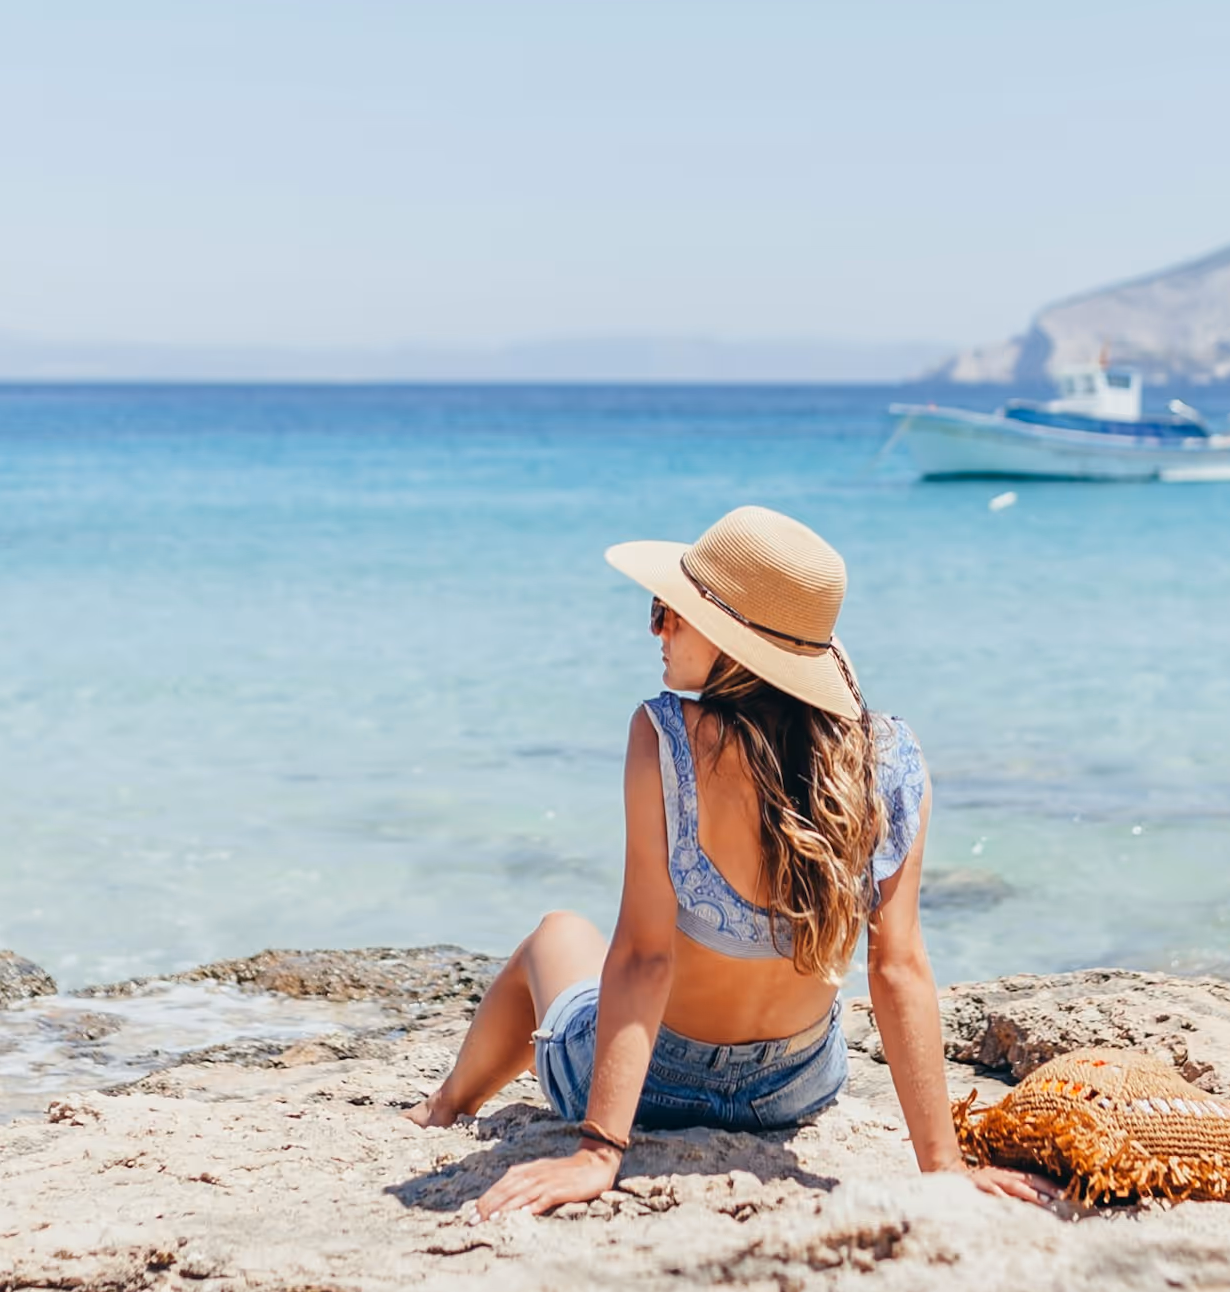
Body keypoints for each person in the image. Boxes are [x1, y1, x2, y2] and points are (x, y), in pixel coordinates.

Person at [405, 503, 1052, 1218]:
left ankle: (444, 1104)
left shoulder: (665, 737)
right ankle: (449, 1100)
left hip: (656, 1083)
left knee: (557, 932)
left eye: (669, 610)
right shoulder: (886, 758)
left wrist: (598, 1149)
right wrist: (944, 1166)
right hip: (796, 1085)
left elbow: (645, 958)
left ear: (727, 639)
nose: (657, 628)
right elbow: (897, 966)